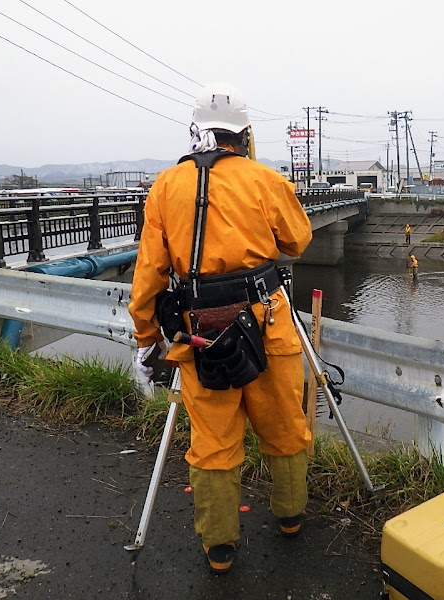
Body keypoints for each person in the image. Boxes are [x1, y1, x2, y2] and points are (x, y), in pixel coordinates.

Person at [128, 82, 313, 574]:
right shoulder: (265, 180)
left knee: (213, 440)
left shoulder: (167, 185)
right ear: (245, 134)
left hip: (200, 334)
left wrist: (147, 338)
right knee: (285, 425)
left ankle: (220, 548)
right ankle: (291, 517)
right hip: (268, 325)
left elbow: (148, 272)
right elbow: (296, 241)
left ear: (197, 132)